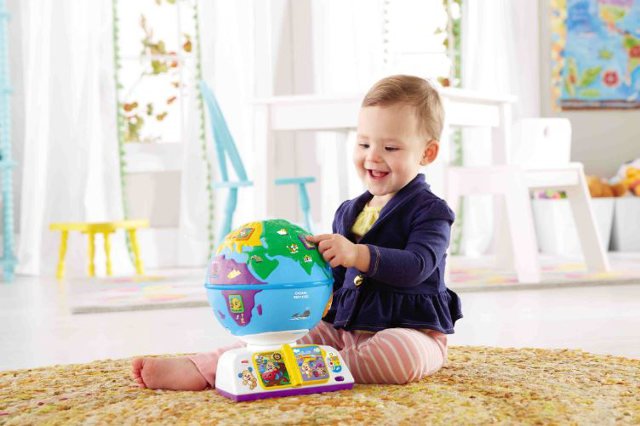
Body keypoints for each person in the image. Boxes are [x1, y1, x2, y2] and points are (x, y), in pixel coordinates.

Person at [132, 74, 463, 390]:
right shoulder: (350, 211)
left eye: (390, 148)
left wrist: (356, 254)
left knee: (399, 354)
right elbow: (337, 279)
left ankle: (315, 368)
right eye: (364, 143)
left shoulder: (431, 211)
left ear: (427, 153)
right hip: (344, 326)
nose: (372, 156)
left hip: (411, 330)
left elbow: (417, 265)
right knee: (280, 334)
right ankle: (206, 366)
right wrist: (312, 273)